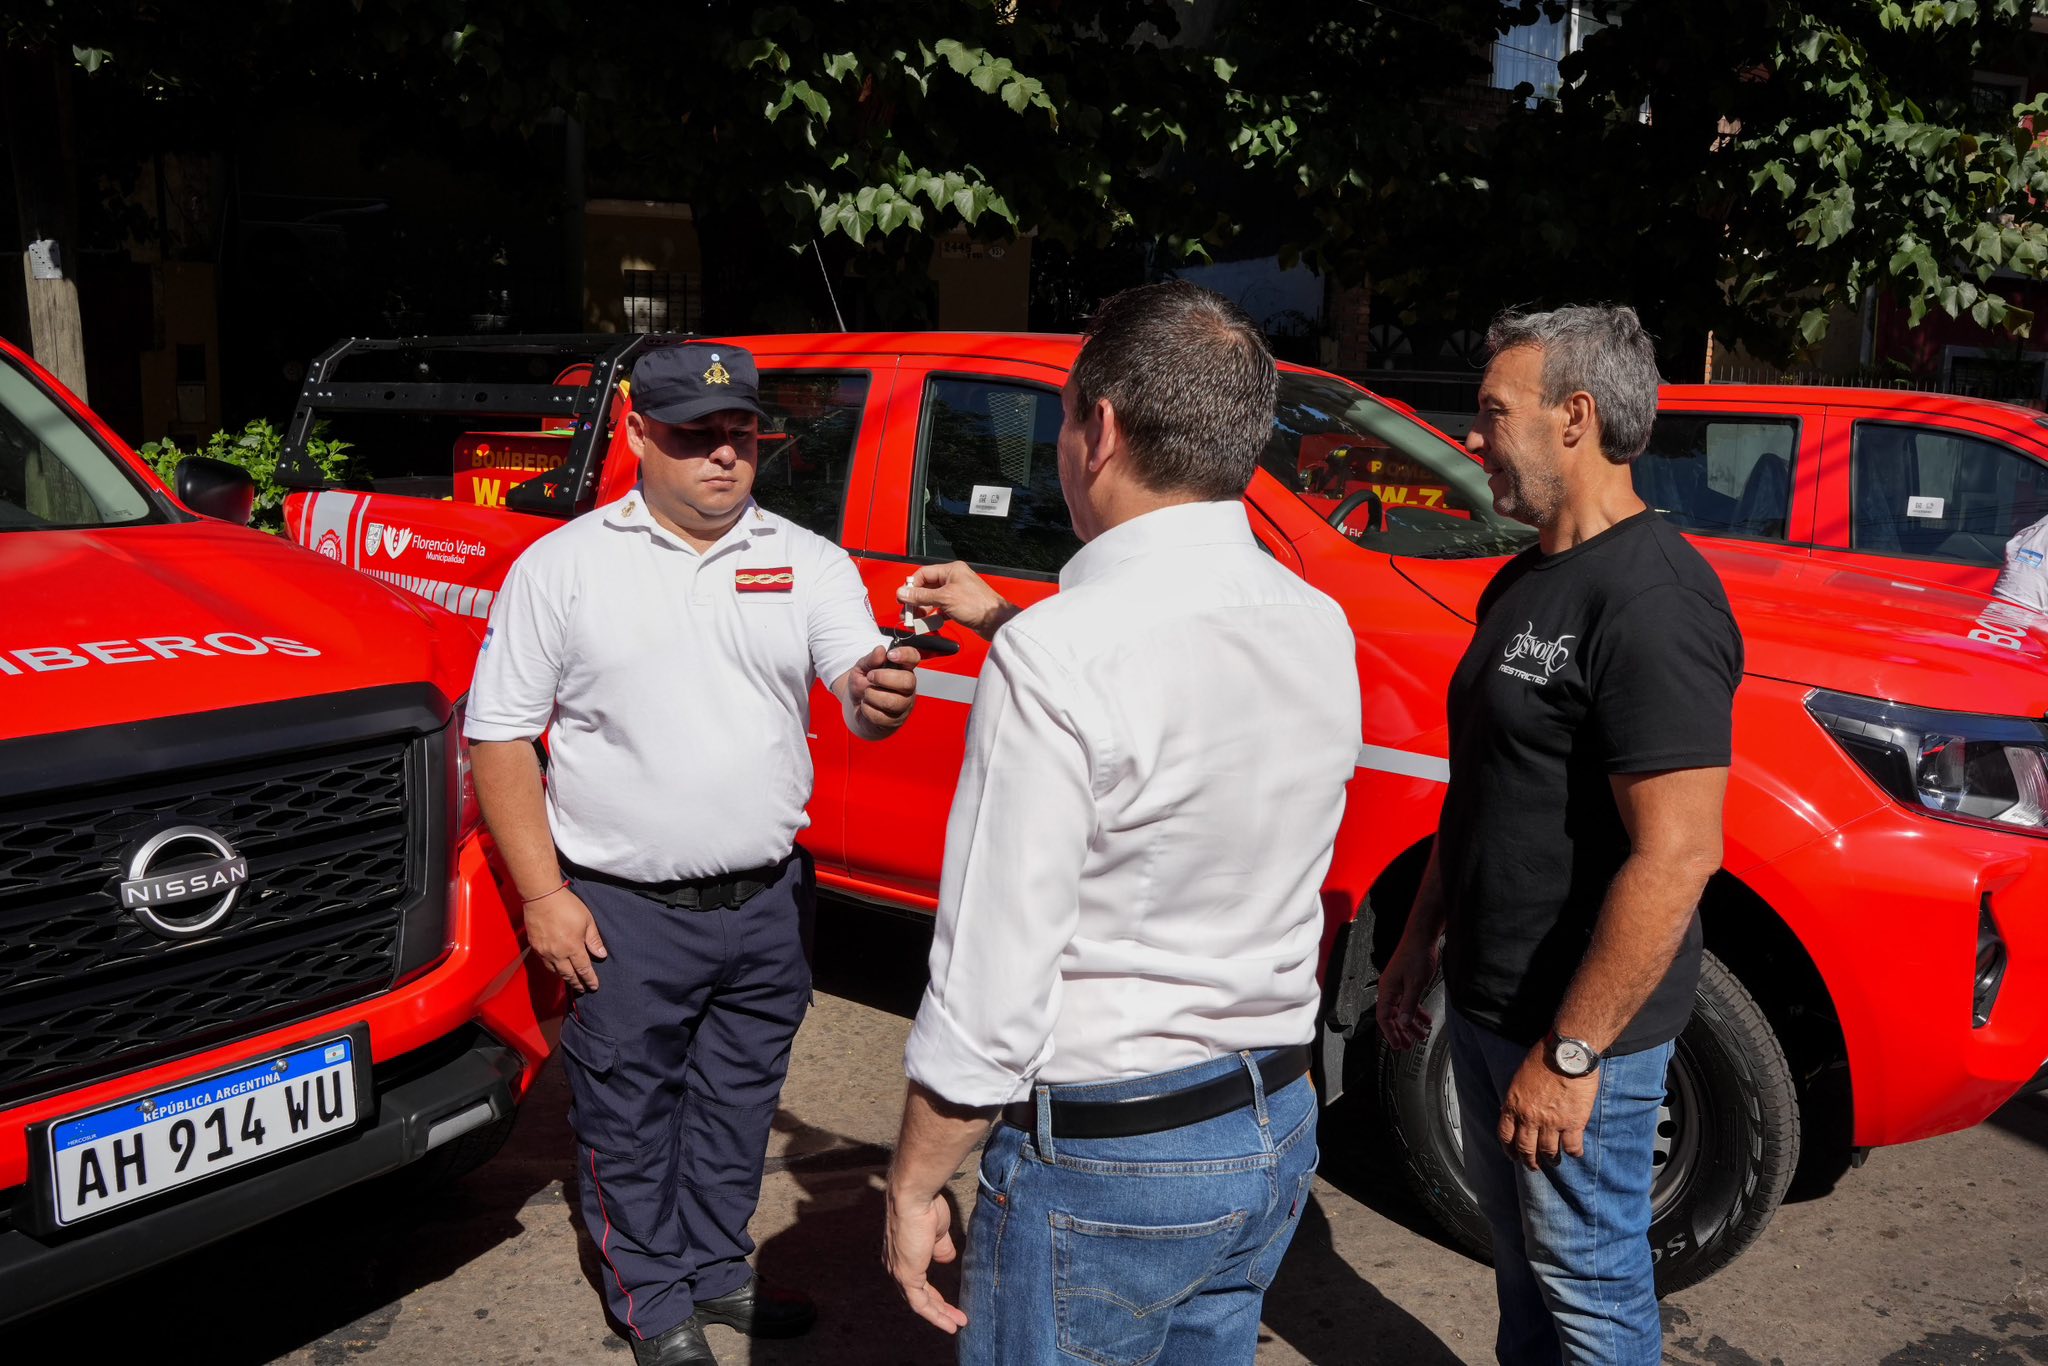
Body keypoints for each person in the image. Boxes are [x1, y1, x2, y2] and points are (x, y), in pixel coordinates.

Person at [879, 281, 1363, 1365]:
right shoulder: (1315, 621)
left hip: (1112, 1159)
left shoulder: (1057, 655)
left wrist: (913, 1179)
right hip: (1272, 1124)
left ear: (1097, 428)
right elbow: (1173, 729)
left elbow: (988, 994)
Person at [465, 342, 922, 1366]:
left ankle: (716, 1272)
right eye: (692, 434)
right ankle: (652, 1298)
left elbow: (862, 687)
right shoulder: (563, 567)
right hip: (620, 909)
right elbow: (497, 735)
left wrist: (880, 696)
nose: (722, 455)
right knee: (627, 1116)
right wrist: (543, 894)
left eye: (740, 435)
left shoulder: (808, 562)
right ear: (635, 435)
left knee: (735, 1104)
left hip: (767, 904)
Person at [1376, 305, 1741, 1365]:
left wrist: (1571, 1052)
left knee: (1589, 1294)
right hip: (1490, 1007)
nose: (1473, 437)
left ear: (1572, 416)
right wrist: (1416, 939)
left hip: (1579, 1034)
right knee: (1525, 1275)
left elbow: (1676, 853)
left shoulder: (1653, 599)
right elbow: (1484, 784)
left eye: (1492, 412)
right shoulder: (1525, 575)